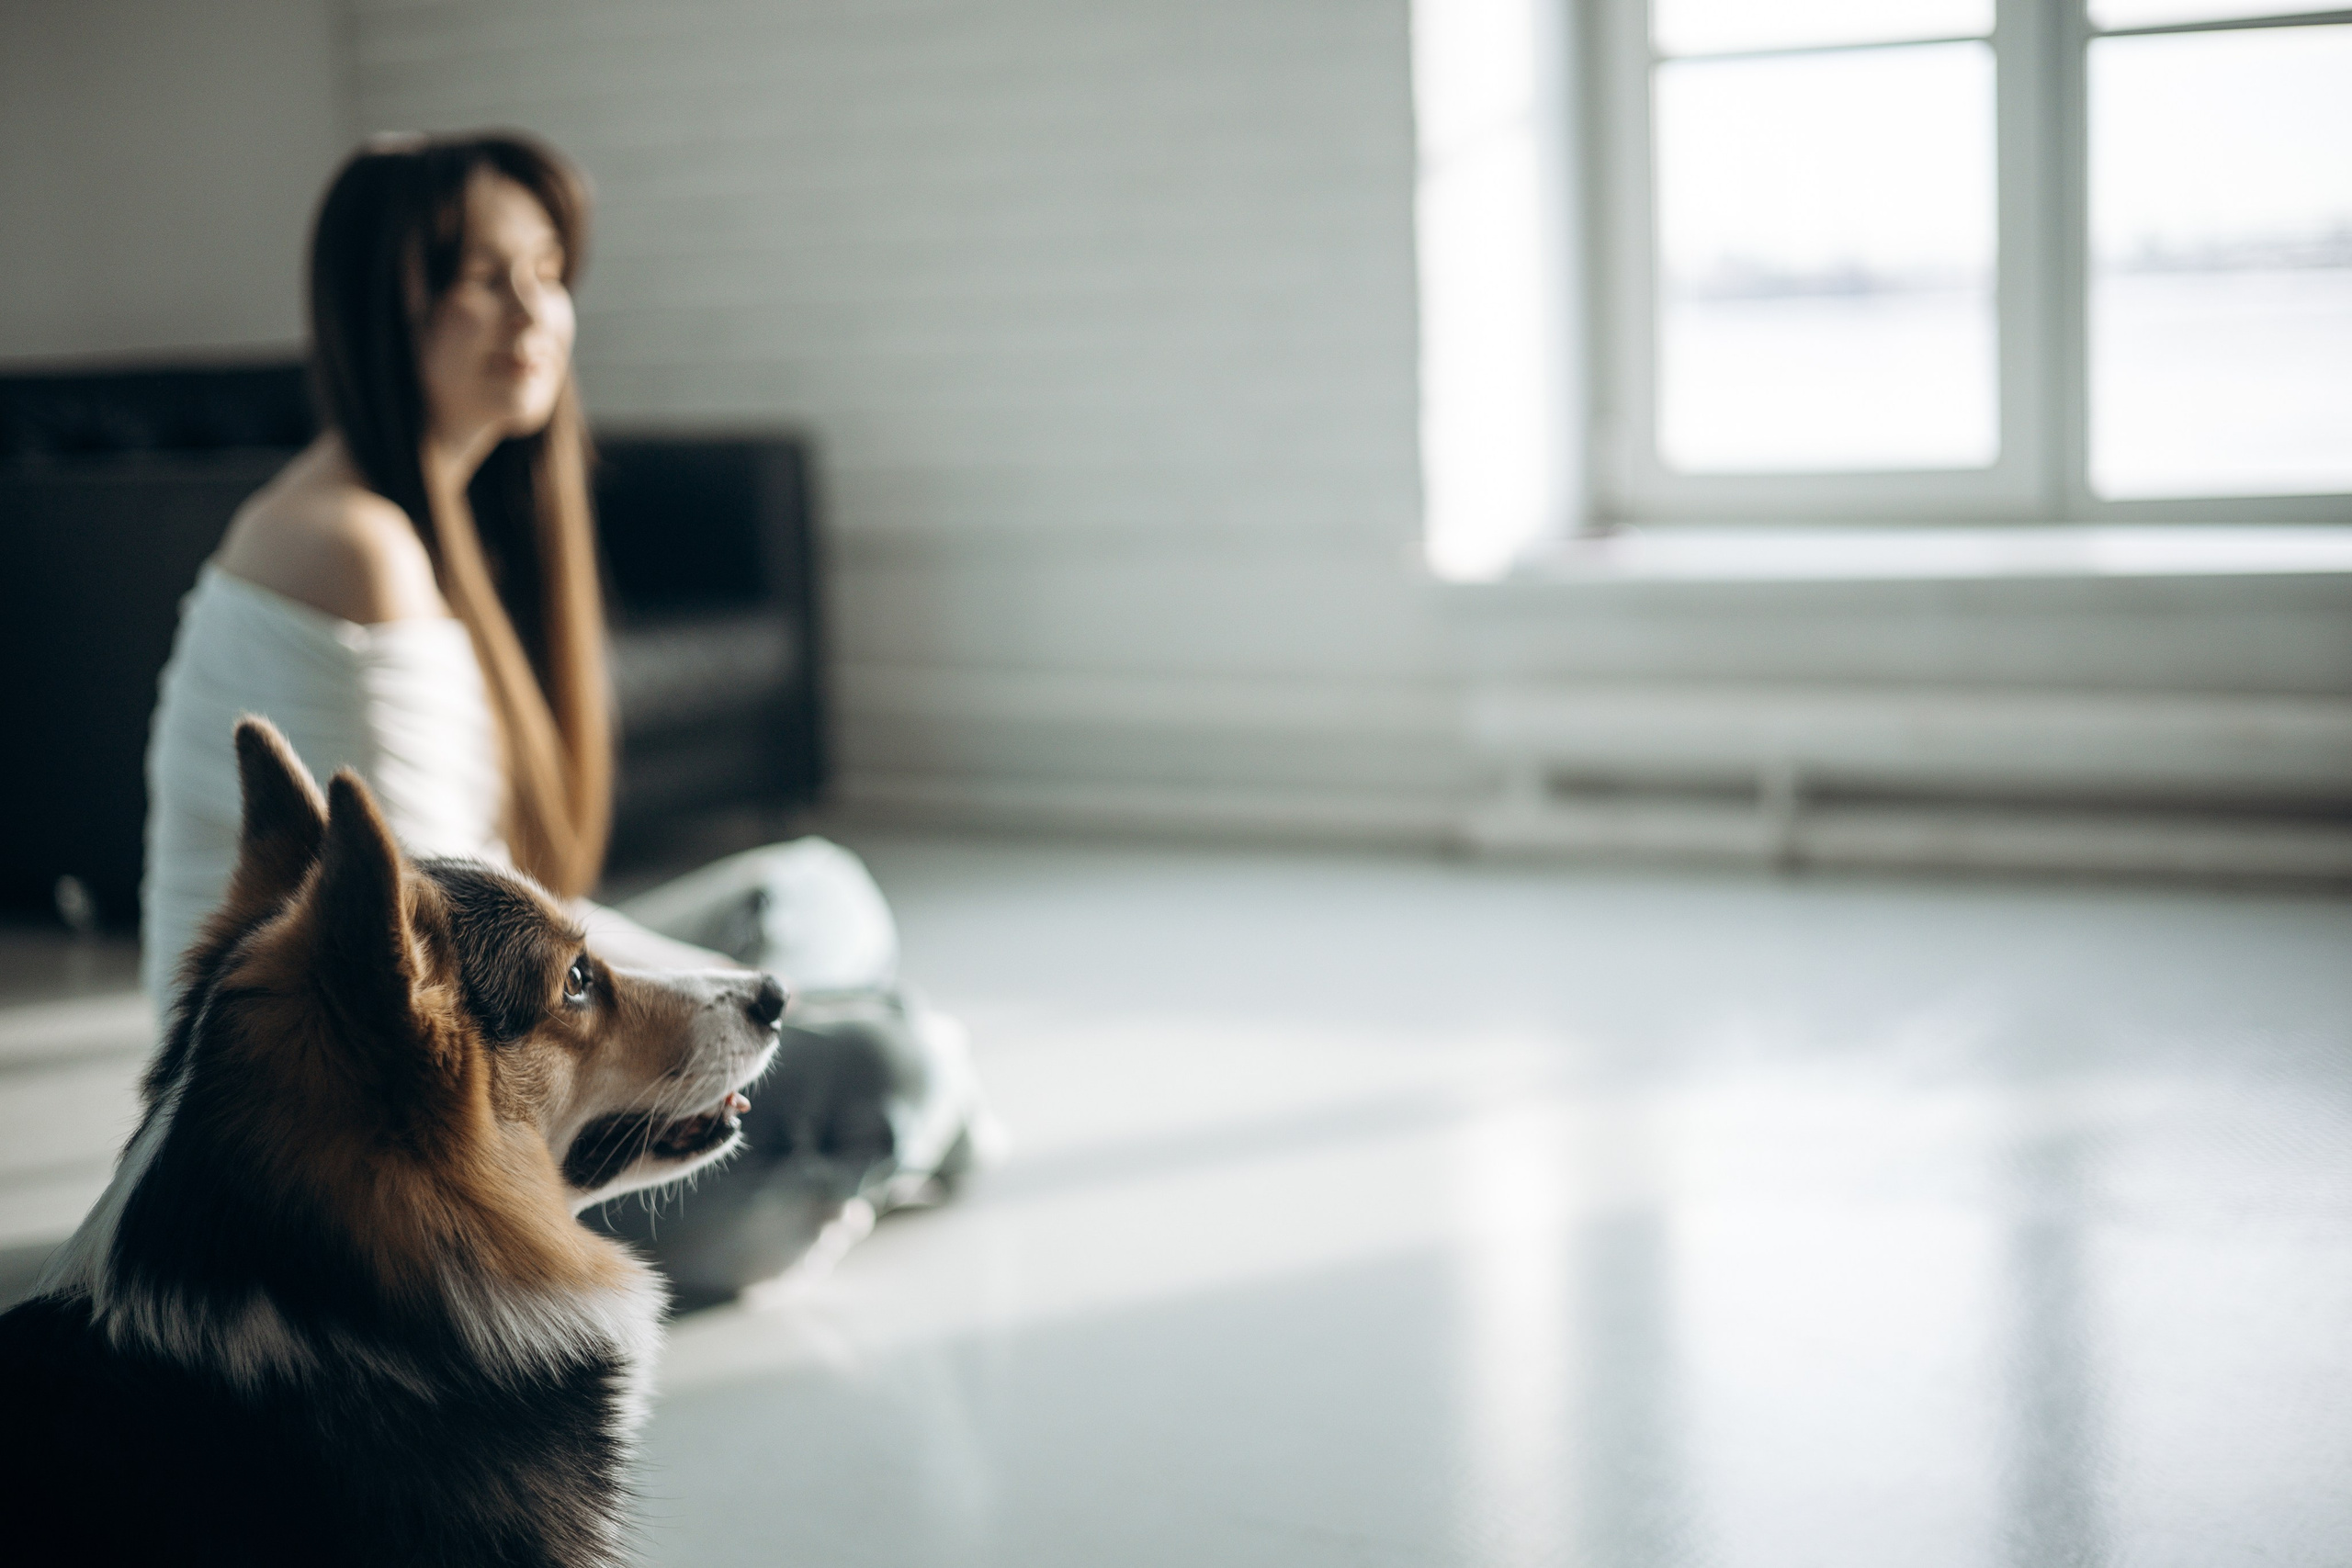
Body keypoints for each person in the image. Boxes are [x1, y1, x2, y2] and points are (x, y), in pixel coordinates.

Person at [141, 130, 986, 1303]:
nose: (532, 312)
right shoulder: (349, 547)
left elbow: (512, 924)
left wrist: (718, 1016)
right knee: (895, 1058)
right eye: (484, 278)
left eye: (547, 273)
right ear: (382, 308)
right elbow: (448, 961)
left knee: (808, 894)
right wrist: (724, 1025)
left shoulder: (415, 522)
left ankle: (842, 1137)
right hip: (404, 1172)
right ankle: (878, 1117)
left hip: (521, 1043)